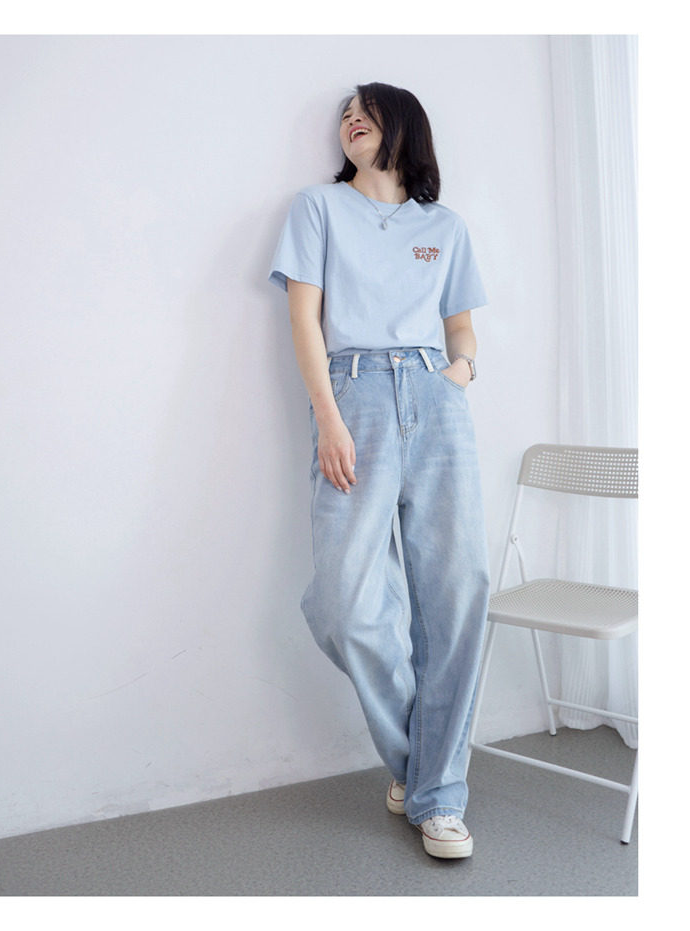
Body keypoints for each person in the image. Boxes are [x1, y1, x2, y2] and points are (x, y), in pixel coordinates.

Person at [267, 82, 491, 860]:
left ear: (404, 125)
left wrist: (459, 373)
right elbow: (303, 317)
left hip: (435, 398)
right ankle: (422, 764)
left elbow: (462, 328)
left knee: (457, 593)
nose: (351, 117)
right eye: (344, 113)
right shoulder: (318, 209)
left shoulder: (445, 226)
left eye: (366, 108)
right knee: (343, 602)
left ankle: (438, 797)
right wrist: (329, 416)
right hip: (353, 395)